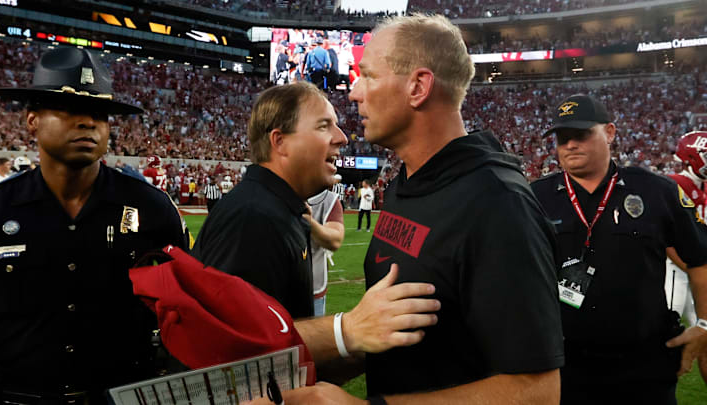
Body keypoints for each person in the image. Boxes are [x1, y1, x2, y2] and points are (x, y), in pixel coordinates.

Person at [249, 13, 563, 405]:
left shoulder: (498, 203)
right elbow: (412, 342)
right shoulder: (407, 183)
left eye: (369, 76)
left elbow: (538, 391)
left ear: (418, 86)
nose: (354, 92)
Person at [0, 47, 188, 404]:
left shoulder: (151, 208)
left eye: (100, 113)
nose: (88, 122)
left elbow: (188, 311)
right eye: (70, 109)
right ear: (32, 120)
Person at [532, 94, 707, 404]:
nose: (569, 144)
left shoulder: (656, 191)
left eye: (581, 134)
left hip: (645, 367)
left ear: (610, 132)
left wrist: (705, 324)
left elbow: (701, 258)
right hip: (565, 367)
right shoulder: (534, 197)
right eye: (562, 137)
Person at [191, 81, 347, 318]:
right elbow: (239, 346)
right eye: (324, 126)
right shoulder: (253, 218)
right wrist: (344, 335)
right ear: (280, 142)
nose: (342, 138)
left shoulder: (279, 207)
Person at [665, 130, 707, 327]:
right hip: (676, 265)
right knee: (671, 317)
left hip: (697, 264)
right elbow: (665, 234)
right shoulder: (674, 184)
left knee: (697, 325)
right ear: (692, 157)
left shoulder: (701, 186)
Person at [306, 185, 344, 316]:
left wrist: (308, 222)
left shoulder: (329, 200)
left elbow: (335, 240)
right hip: (274, 288)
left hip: (313, 287)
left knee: (313, 335)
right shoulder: (274, 192)